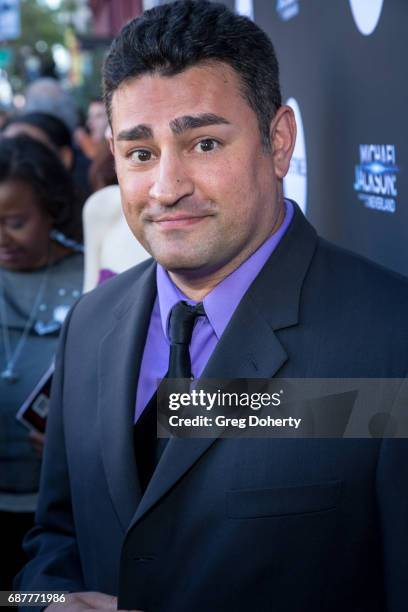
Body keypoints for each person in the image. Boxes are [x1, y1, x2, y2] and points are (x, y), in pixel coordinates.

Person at [16, 2, 408, 611]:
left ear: (278, 142)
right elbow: (56, 539)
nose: (168, 188)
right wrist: (45, 602)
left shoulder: (390, 342)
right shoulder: (90, 325)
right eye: (140, 153)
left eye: (202, 143)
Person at [0, 136, 83, 592]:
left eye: (15, 222)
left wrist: (76, 433)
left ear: (51, 208)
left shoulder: (97, 278)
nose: (2, 238)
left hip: (56, 516)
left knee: (33, 599)